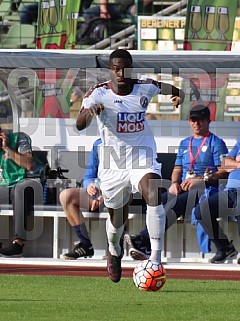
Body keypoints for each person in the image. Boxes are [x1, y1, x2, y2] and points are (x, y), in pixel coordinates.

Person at [76, 48, 185, 283]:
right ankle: (114, 250)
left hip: (141, 158)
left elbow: (169, 88)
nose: (120, 72)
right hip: (112, 166)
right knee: (117, 220)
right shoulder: (99, 93)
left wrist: (178, 95)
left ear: (131, 69)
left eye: (124, 67)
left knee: (153, 191)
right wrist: (91, 112)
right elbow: (79, 124)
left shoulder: (145, 86)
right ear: (110, 70)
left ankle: (155, 259)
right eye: (116, 68)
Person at [124, 105, 229, 261]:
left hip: (206, 189)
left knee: (177, 203)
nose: (197, 124)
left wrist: (200, 180)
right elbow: (177, 169)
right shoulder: (185, 143)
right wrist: (174, 183)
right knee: (161, 200)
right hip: (184, 187)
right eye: (193, 120)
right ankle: (146, 241)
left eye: (201, 120)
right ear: (189, 122)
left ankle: (143, 240)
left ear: (208, 121)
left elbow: (223, 171)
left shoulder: (216, 143)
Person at [193, 140, 240, 264]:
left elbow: (230, 163)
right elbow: (225, 164)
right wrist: (237, 163)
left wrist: (235, 162)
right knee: (202, 210)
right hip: (230, 192)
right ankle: (225, 248)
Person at [0, 129, 43, 257]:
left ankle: (18, 243)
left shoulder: (19, 138)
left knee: (20, 190)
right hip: (4, 186)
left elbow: (28, 164)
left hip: (28, 181)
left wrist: (6, 148)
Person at [59, 138, 102, 260]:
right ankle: (85, 244)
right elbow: (89, 175)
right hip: (97, 193)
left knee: (119, 197)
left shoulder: (128, 142)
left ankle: (116, 247)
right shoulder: (98, 144)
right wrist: (89, 186)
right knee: (66, 196)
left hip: (120, 193)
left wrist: (105, 195)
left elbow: (129, 179)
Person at [83, 0, 153, 23]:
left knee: (136, 12)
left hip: (134, 7)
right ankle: (97, 39)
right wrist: (103, 10)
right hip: (118, 7)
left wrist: (138, 5)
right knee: (88, 13)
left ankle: (135, 41)